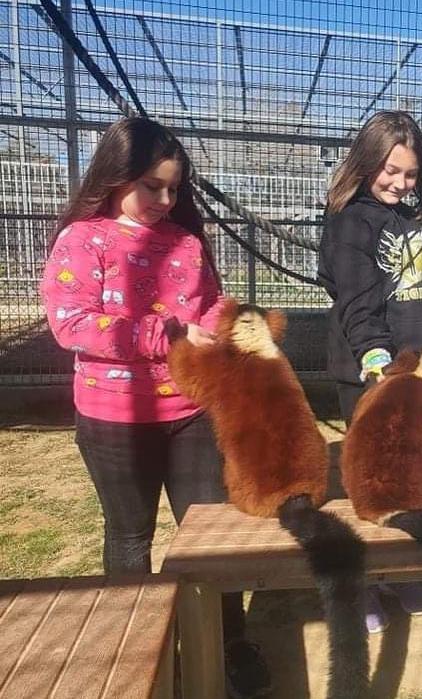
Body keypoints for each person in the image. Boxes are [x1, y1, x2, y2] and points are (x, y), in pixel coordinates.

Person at [40, 117, 271, 699]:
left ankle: (228, 642)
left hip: (190, 412)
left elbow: (212, 304)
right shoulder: (83, 239)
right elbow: (72, 324)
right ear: (117, 177)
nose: (165, 201)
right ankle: (137, 642)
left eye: (175, 189)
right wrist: (168, 334)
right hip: (113, 418)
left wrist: (237, 327)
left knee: (210, 535)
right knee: (129, 536)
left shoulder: (188, 242)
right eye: (152, 186)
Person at [317, 110, 422, 634]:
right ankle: (361, 581)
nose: (400, 182)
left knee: (410, 478)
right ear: (367, 163)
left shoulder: (405, 218)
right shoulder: (351, 221)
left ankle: (398, 569)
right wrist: (375, 359)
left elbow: (416, 296)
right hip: (373, 372)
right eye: (390, 170)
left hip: (414, 370)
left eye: (410, 173)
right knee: (369, 480)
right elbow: (357, 303)